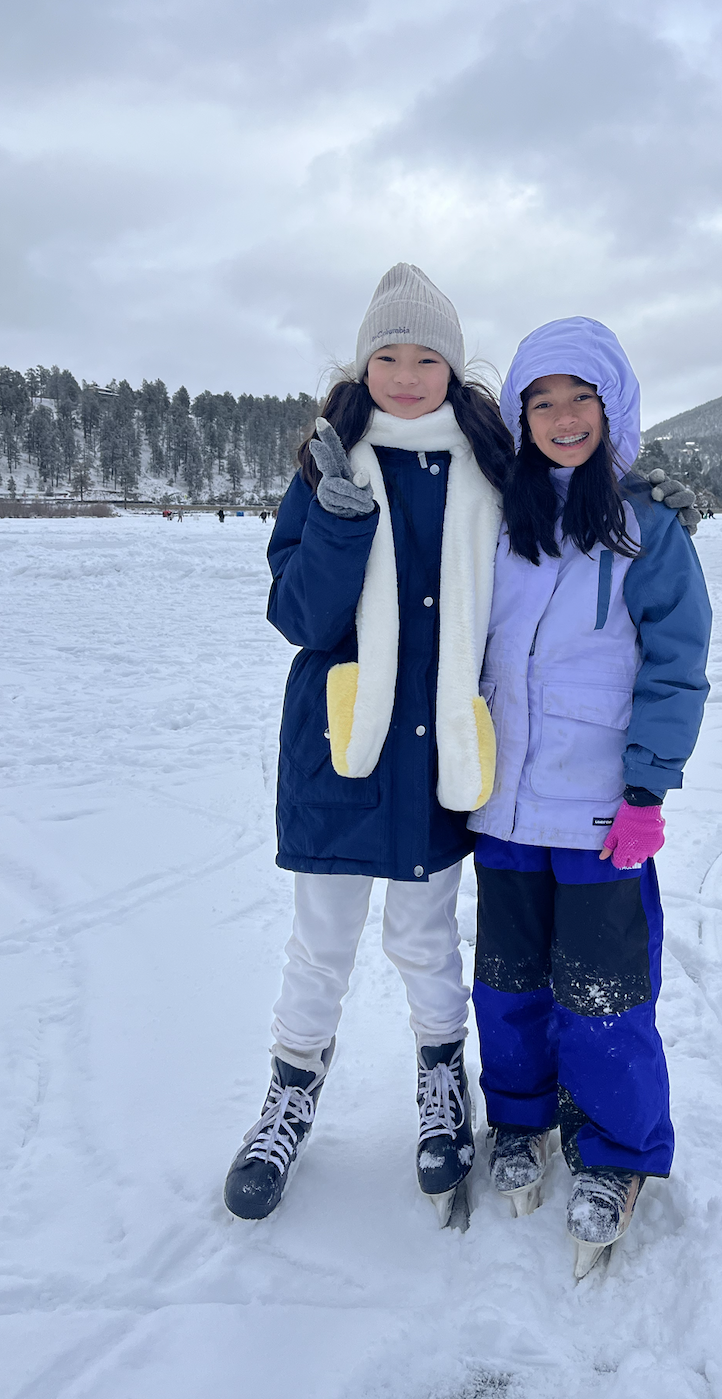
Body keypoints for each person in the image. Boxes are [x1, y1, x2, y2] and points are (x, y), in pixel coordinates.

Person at [222, 264, 513, 1227]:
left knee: (426, 936)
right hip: (344, 744)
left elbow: (549, 560)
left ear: (453, 368)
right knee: (322, 943)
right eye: (386, 354)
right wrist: (340, 526)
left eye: (425, 356)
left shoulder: (490, 469)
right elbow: (299, 616)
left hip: (435, 754)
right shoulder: (325, 464)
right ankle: (290, 1095)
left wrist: (635, 513)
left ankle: (441, 1086)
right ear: (362, 362)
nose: (404, 372)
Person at [468, 318, 711, 1279]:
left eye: (581, 399)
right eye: (543, 400)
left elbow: (677, 665)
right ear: (521, 416)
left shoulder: (648, 528)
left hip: (605, 811)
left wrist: (650, 784)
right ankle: (520, 1120)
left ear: (613, 410)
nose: (563, 418)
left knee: (605, 996)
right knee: (510, 982)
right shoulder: (500, 521)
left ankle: (615, 1152)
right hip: (505, 807)